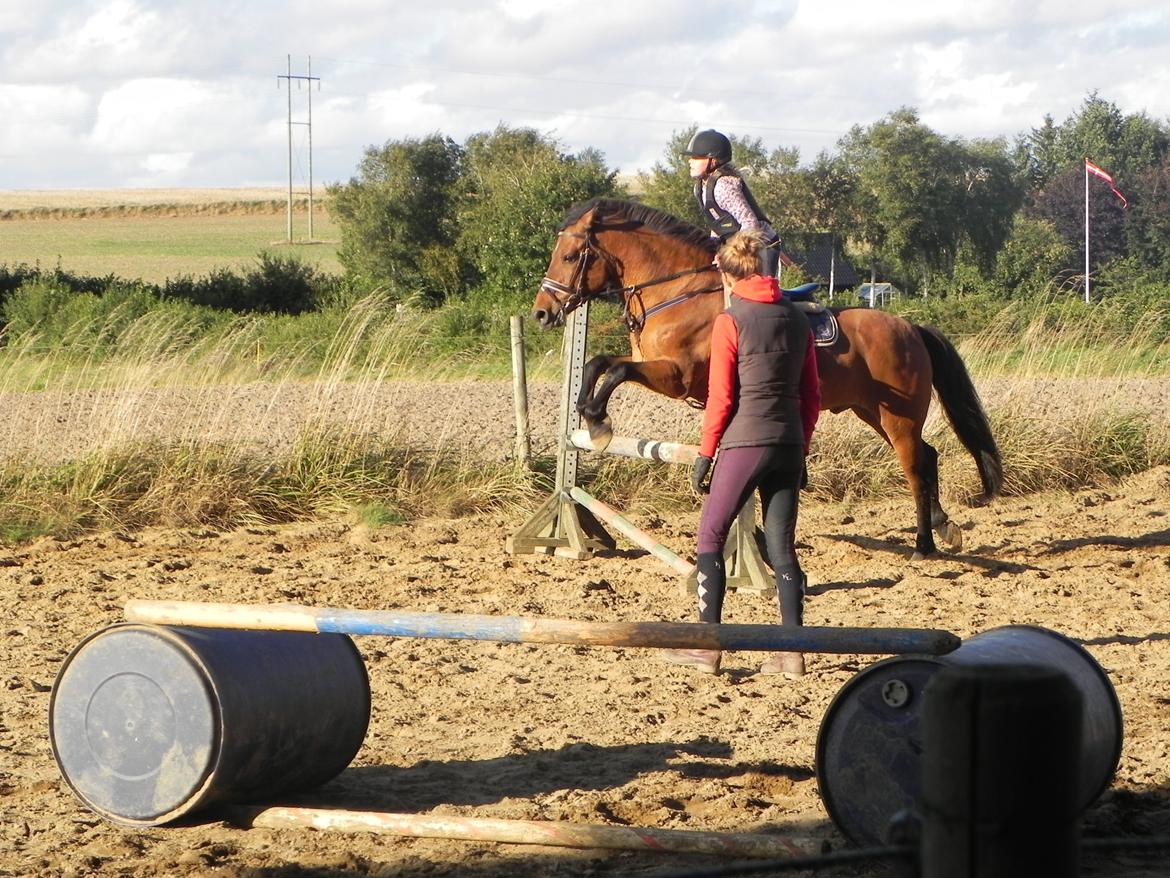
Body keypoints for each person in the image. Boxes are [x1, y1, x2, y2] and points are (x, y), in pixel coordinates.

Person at [663, 229, 820, 677]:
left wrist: (706, 454)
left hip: (744, 442)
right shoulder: (797, 318)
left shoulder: (730, 321)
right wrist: (801, 446)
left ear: (731, 277)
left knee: (711, 537)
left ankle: (708, 647)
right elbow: (812, 395)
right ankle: (792, 654)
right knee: (782, 548)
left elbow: (721, 399)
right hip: (788, 444)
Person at [685, 129, 785, 277]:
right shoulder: (700, 188)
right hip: (738, 244)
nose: (690, 160)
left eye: (696, 156)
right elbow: (717, 224)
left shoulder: (723, 186)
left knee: (755, 293)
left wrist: (729, 255)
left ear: (713, 161)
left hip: (761, 245)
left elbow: (750, 225)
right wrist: (714, 248)